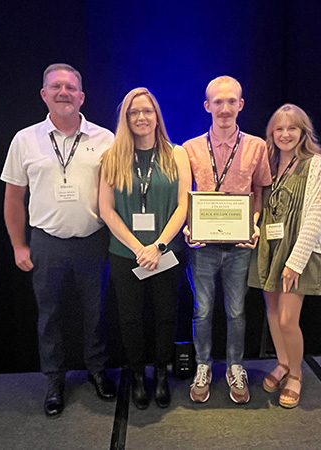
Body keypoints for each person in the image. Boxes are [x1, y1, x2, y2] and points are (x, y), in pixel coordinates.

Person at [1, 63, 116, 417]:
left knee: (95, 312)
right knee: (49, 314)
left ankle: (97, 370)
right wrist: (19, 245)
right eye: (56, 86)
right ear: (44, 94)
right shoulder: (25, 139)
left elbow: (117, 194)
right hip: (46, 242)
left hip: (93, 240)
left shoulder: (105, 139)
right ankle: (54, 379)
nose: (63, 92)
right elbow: (13, 198)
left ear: (81, 96)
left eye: (70, 87)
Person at [99, 88, 191, 409]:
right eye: (134, 112)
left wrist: (159, 245)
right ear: (126, 118)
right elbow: (106, 209)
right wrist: (141, 248)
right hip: (126, 254)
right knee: (130, 319)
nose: (141, 117)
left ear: (157, 116)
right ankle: (138, 375)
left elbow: (183, 206)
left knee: (166, 316)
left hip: (167, 252)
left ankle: (162, 375)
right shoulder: (112, 156)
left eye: (147, 111)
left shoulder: (176, 153)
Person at [182, 76, 272, 404]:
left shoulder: (257, 147)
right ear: (207, 106)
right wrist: (188, 228)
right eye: (217, 102)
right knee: (202, 311)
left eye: (231, 101)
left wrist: (255, 223)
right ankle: (203, 366)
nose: (224, 108)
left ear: (241, 105)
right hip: (202, 247)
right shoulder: (189, 149)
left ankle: (235, 366)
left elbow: (259, 190)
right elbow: (183, 199)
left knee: (236, 311)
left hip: (239, 247)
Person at [248, 104, 321, 408]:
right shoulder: (267, 162)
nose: (285, 134)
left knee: (287, 319)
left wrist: (295, 261)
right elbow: (260, 203)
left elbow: (316, 216)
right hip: (270, 247)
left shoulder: (315, 164)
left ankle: (295, 374)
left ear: (302, 132)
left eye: (292, 128)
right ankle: (282, 363)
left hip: (299, 250)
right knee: (271, 311)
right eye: (279, 129)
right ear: (271, 133)